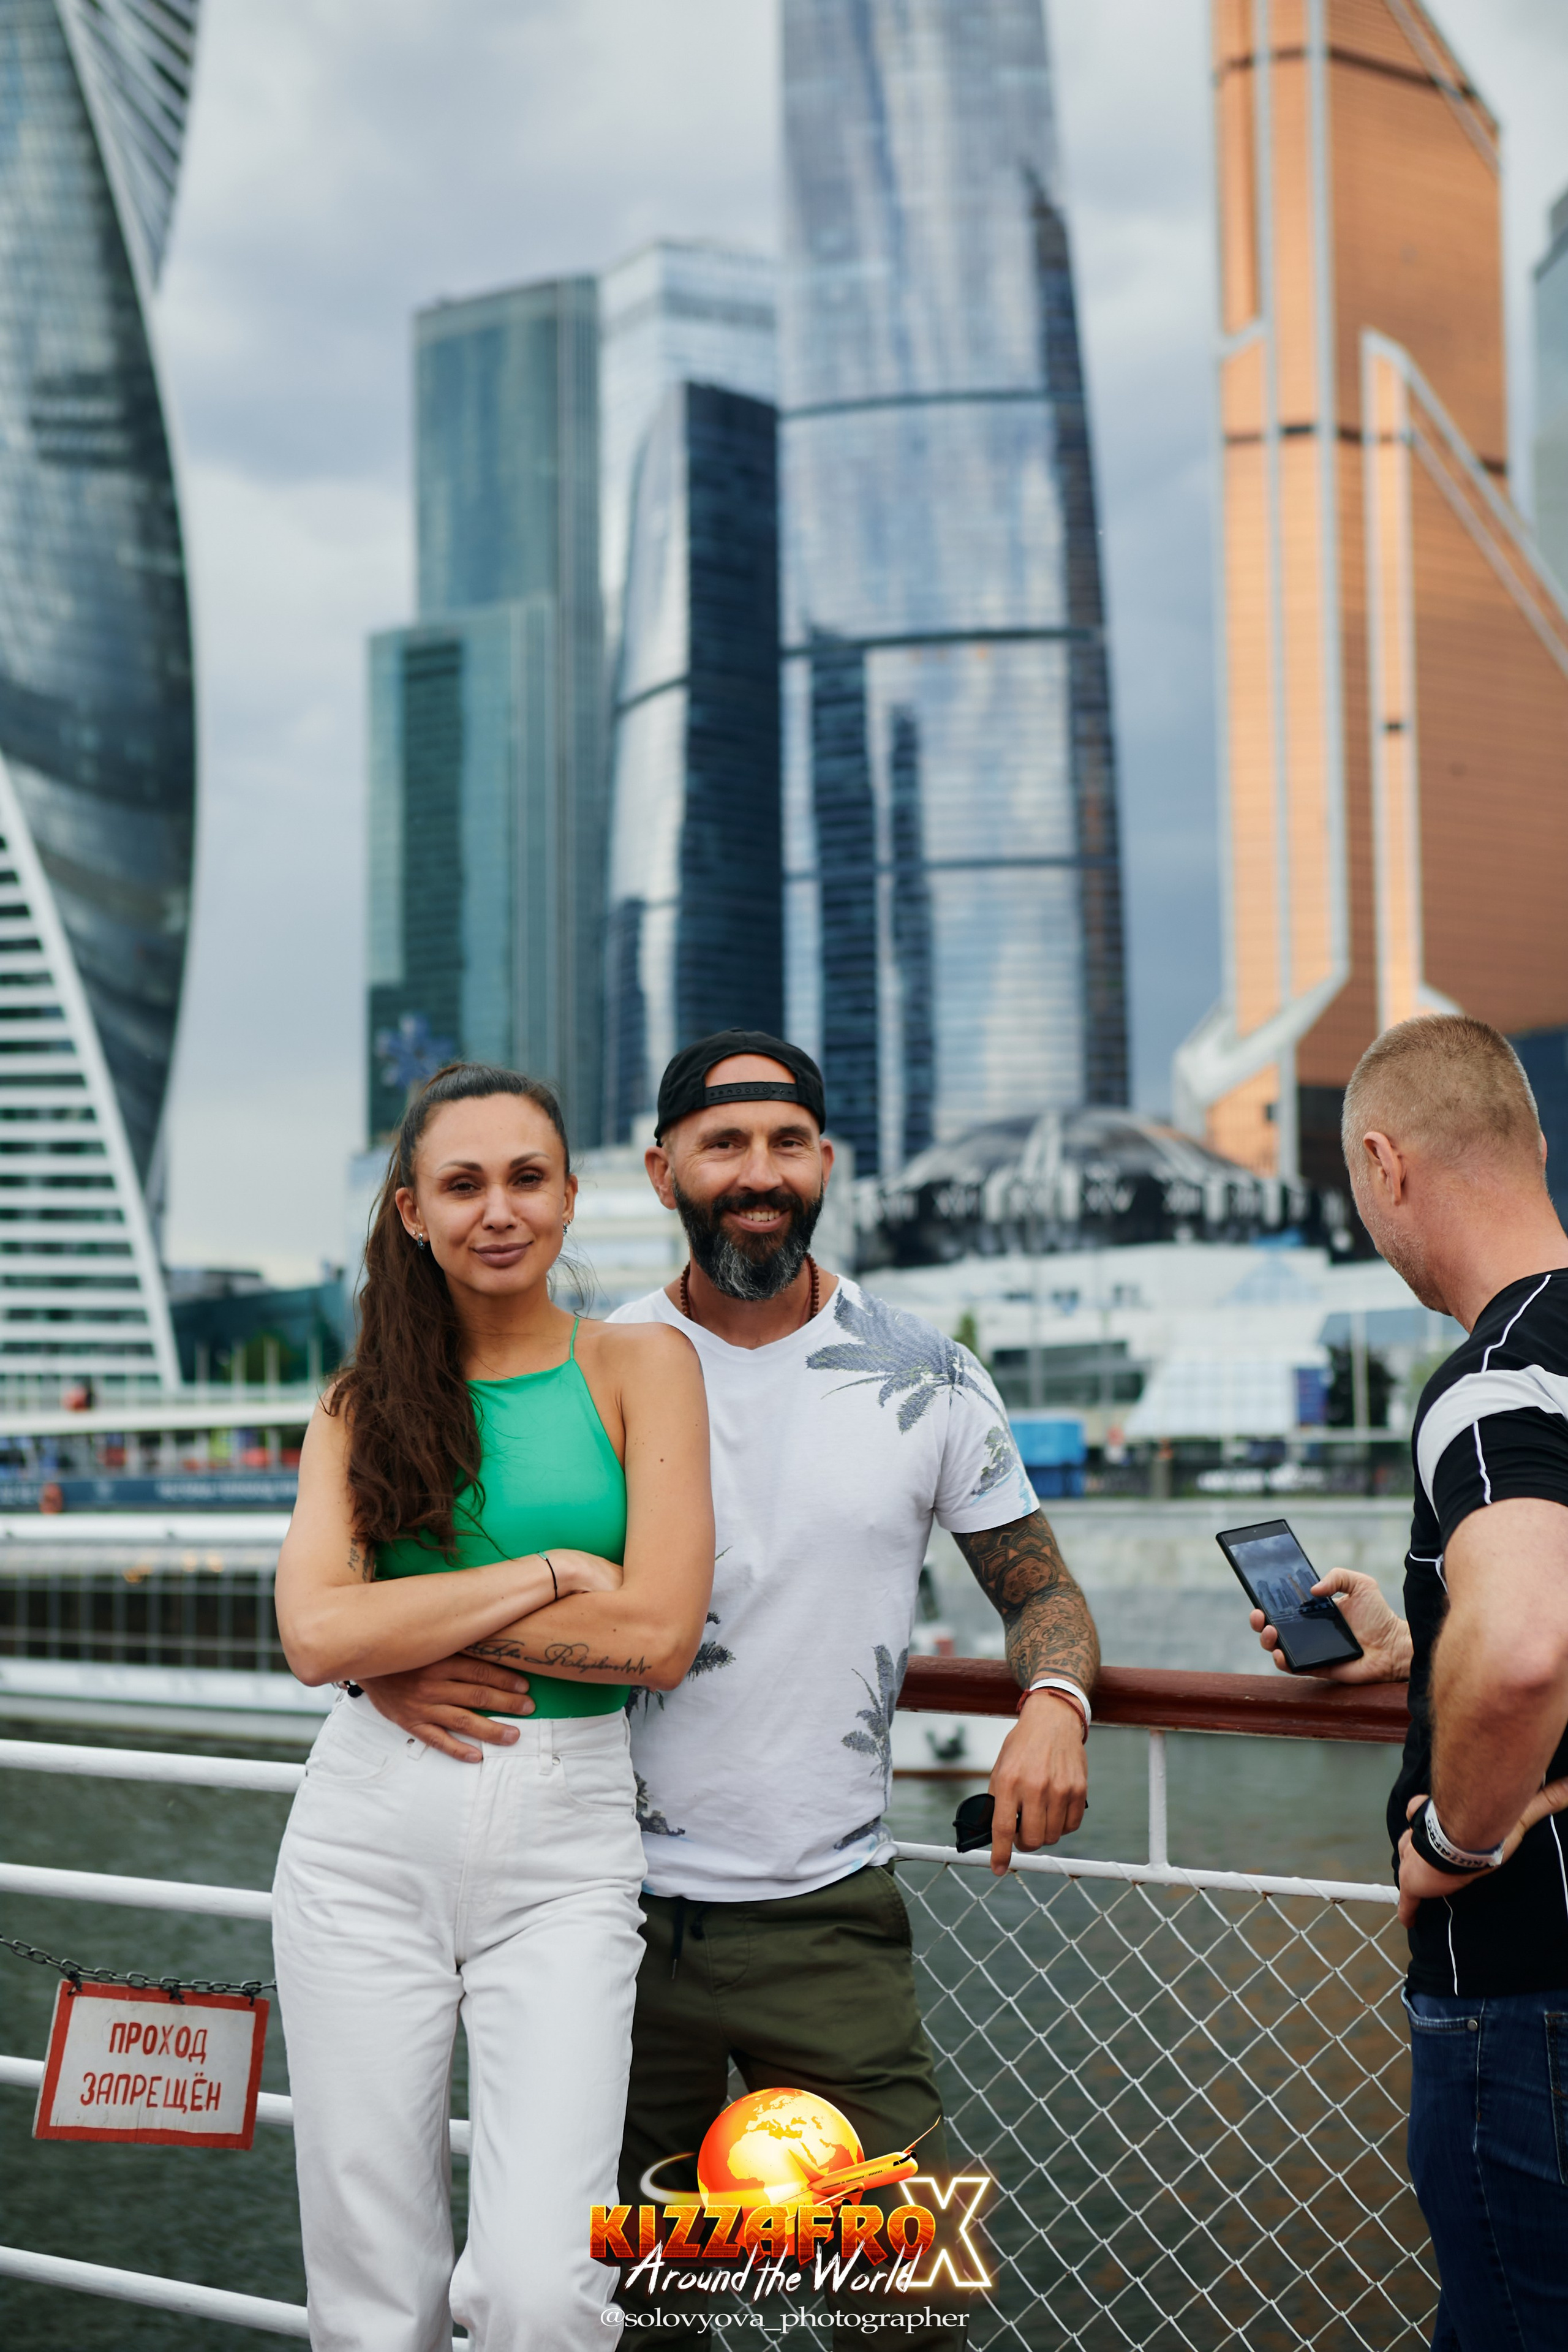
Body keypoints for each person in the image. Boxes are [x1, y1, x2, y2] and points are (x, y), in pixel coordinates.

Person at [365, 1031, 1100, 2334]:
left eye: (785, 1144)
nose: (756, 1174)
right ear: (660, 1172)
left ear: (824, 1164)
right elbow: (401, 1575)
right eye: (722, 1146)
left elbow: (1036, 1589)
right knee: (631, 2306)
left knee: (909, 2300)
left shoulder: (927, 1375)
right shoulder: (573, 1366)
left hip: (825, 1912)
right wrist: (383, 1677)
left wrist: (1054, 1706)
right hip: (589, 1911)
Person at [271, 1063, 712, 2351]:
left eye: (526, 1178)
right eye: (461, 1185)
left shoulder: (643, 1367)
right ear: (411, 1211)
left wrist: (399, 1628)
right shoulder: (360, 1405)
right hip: (365, 1835)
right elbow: (313, 1634)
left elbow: (662, 1637)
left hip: (569, 1850)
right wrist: (551, 1573)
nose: (497, 1209)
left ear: (571, 1199)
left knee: (540, 2287)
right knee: (373, 2291)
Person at [1248, 1017, 1568, 2351]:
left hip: (1526, 1995)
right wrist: (1414, 1646)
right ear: (1531, 1144)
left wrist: (1449, 1837)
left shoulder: (1492, 1385)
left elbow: (1526, 1649)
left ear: (1383, 1164)